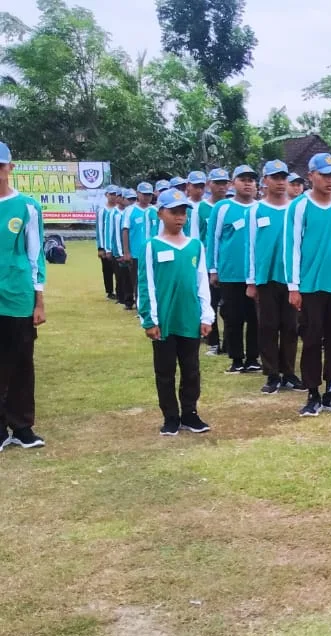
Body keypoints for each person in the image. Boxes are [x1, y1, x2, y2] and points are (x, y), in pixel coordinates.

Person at [283, 152, 331, 416]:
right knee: (313, 338)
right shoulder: (299, 206)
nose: (330, 180)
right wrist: (293, 285)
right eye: (325, 175)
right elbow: (291, 247)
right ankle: (313, 392)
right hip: (310, 284)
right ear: (311, 176)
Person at [137, 189, 214, 435]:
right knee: (165, 370)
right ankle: (170, 416)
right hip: (165, 321)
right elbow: (145, 283)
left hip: (189, 317)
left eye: (183, 213)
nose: (179, 218)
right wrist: (149, 319)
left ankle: (190, 413)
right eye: (174, 212)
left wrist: (206, 315)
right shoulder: (152, 246)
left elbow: (201, 281)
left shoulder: (195, 246)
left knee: (191, 369)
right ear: (161, 214)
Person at [0, 141, 47, 450]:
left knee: (20, 363)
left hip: (17, 296)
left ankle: (22, 427)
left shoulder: (27, 206)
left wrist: (38, 300)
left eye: (1, 166)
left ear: (10, 167)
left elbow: (35, 254)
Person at [247, 159, 303, 394]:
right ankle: (271, 373)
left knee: (290, 326)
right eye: (276, 177)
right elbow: (251, 246)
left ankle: (288, 372)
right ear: (265, 180)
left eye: (283, 177)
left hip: (291, 278)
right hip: (266, 277)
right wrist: (251, 280)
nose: (281, 182)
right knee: (267, 326)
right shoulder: (255, 209)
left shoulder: (296, 208)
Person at [209, 165, 261, 374]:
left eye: (251, 179)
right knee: (233, 317)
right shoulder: (222, 208)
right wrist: (213, 269)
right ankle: (236, 358)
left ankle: (253, 358)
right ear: (233, 183)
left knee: (255, 318)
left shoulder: (260, 207)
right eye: (243, 179)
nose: (248, 183)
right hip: (230, 272)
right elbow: (213, 238)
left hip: (256, 274)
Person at [199, 168, 229, 354]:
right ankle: (213, 342)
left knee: (228, 308)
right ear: (210, 184)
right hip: (206, 262)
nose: (221, 187)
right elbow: (196, 236)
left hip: (226, 264)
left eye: (224, 183)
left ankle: (228, 344)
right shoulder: (199, 208)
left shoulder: (230, 206)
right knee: (210, 303)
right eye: (217, 183)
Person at [120, 182, 157, 311]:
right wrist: (126, 251)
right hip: (136, 252)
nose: (147, 197)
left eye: (149, 195)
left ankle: (151, 304)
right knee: (137, 280)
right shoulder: (130, 211)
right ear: (138, 194)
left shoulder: (154, 210)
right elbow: (125, 231)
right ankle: (139, 305)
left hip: (152, 252)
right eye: (144, 194)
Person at [97, 186, 119, 300]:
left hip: (117, 244)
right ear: (106, 195)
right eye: (111, 194)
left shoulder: (119, 209)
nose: (114, 196)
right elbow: (100, 229)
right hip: (106, 245)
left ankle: (120, 291)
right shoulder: (103, 210)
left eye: (115, 194)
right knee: (107, 269)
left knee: (119, 269)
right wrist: (101, 247)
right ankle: (110, 291)